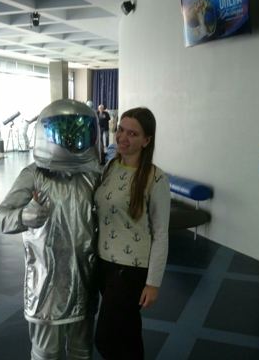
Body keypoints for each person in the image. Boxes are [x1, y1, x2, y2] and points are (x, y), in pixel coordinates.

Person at [0, 99, 101, 360]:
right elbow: (0, 217)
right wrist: (23, 216)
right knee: (45, 354)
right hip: (47, 285)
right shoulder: (34, 175)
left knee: (81, 352)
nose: (72, 140)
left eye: (79, 131)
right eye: (64, 132)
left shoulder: (93, 175)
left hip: (85, 280)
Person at [94, 107, 171, 360]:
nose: (122, 137)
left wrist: (153, 283)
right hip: (104, 263)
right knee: (127, 332)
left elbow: (161, 233)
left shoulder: (155, 178)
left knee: (105, 339)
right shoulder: (111, 167)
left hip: (130, 269)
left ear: (146, 140)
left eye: (133, 134)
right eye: (121, 130)